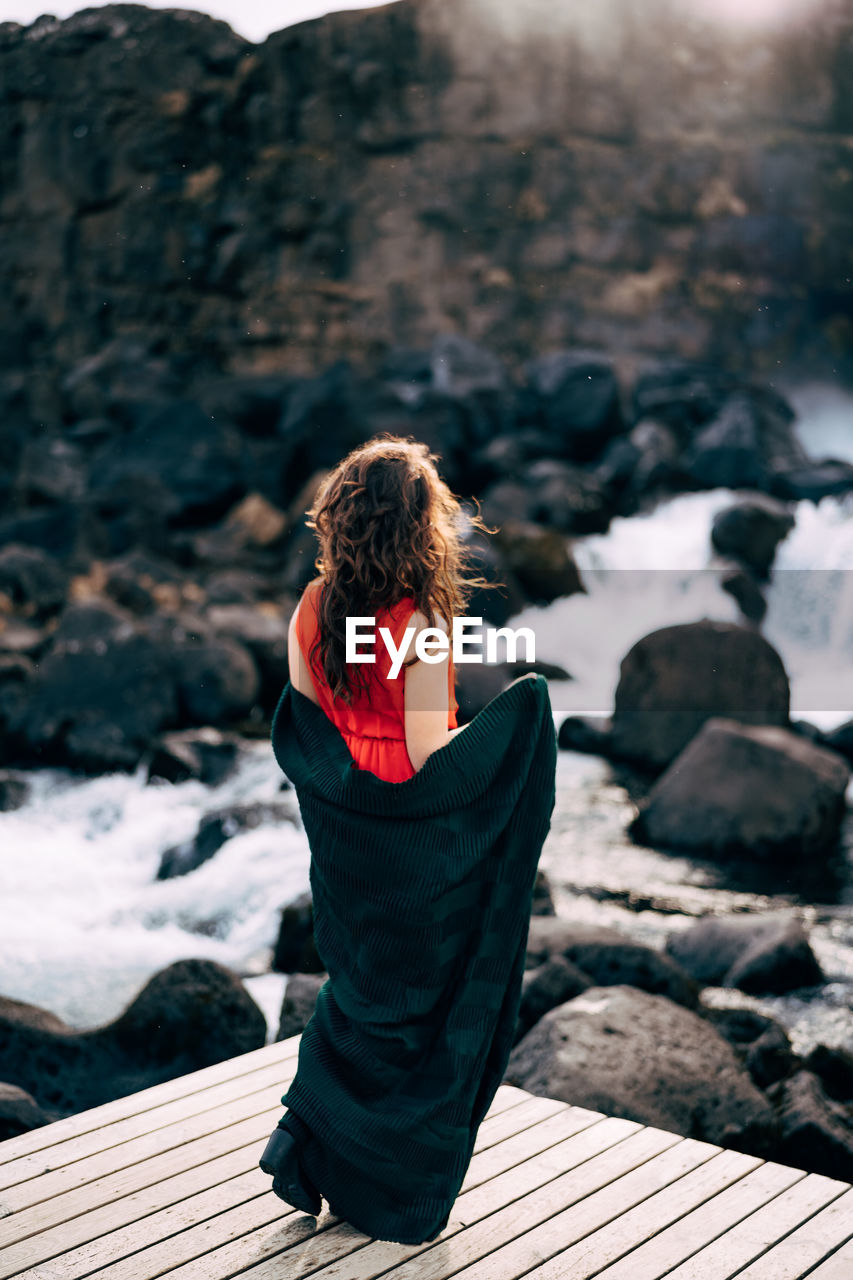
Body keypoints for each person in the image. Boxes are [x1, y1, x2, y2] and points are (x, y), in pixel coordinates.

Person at [260, 433, 557, 1244]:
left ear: (344, 516)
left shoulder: (313, 606)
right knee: (418, 1011)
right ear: (419, 527)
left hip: (347, 838)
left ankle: (319, 1156)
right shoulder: (420, 619)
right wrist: (513, 735)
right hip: (411, 839)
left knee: (360, 997)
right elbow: (428, 754)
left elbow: (305, 718)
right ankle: (385, 1187)